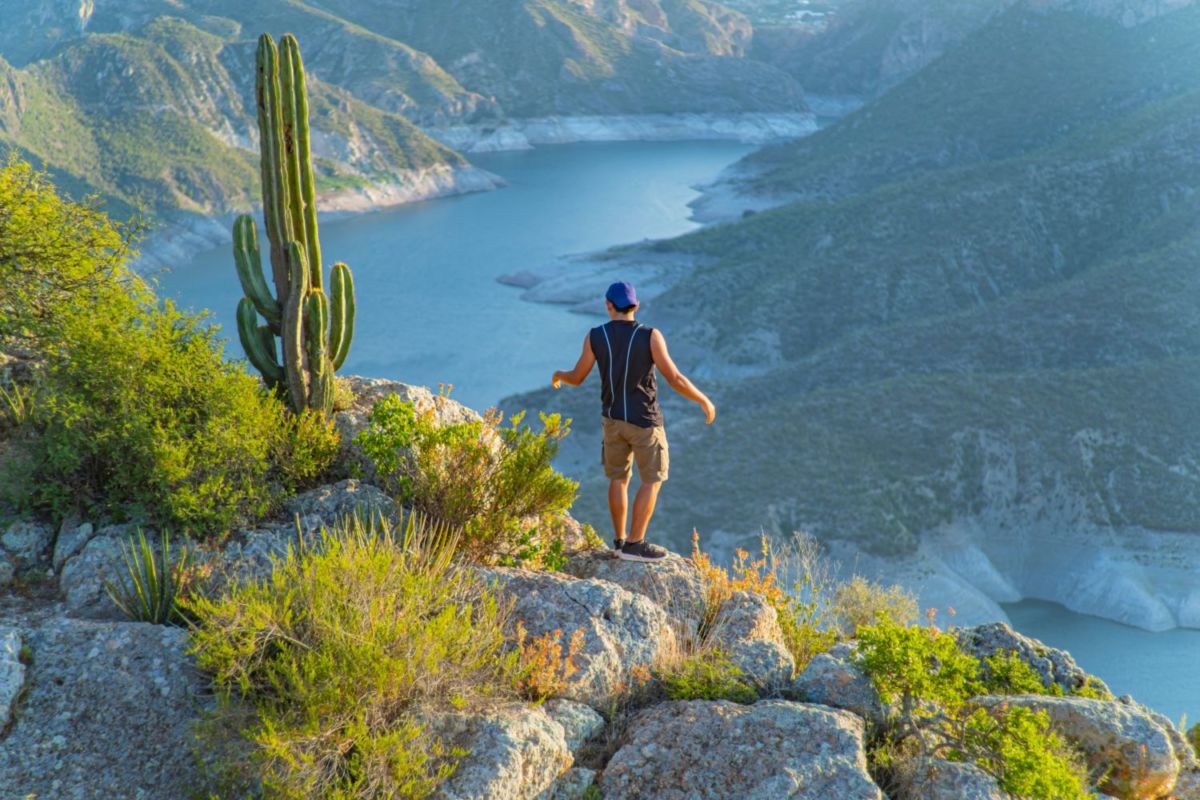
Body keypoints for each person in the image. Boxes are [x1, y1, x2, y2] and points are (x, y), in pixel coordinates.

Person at [552, 281, 716, 562]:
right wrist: (703, 400)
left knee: (618, 479)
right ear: (636, 306)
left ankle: (618, 543)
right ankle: (635, 544)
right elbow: (674, 378)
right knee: (652, 479)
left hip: (612, 420)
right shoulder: (650, 336)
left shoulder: (595, 336)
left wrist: (559, 374)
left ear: (608, 306)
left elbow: (577, 377)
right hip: (644, 421)